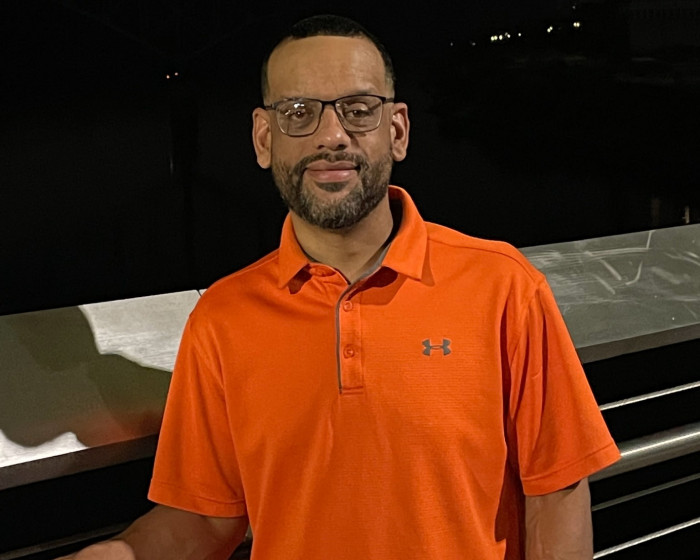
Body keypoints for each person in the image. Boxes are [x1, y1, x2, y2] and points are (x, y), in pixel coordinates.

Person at [60, 14, 620, 560]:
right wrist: (119, 553)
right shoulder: (221, 319)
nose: (332, 137)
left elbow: (556, 492)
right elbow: (206, 518)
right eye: (298, 113)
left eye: (358, 110)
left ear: (397, 131)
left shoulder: (503, 286)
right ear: (264, 139)